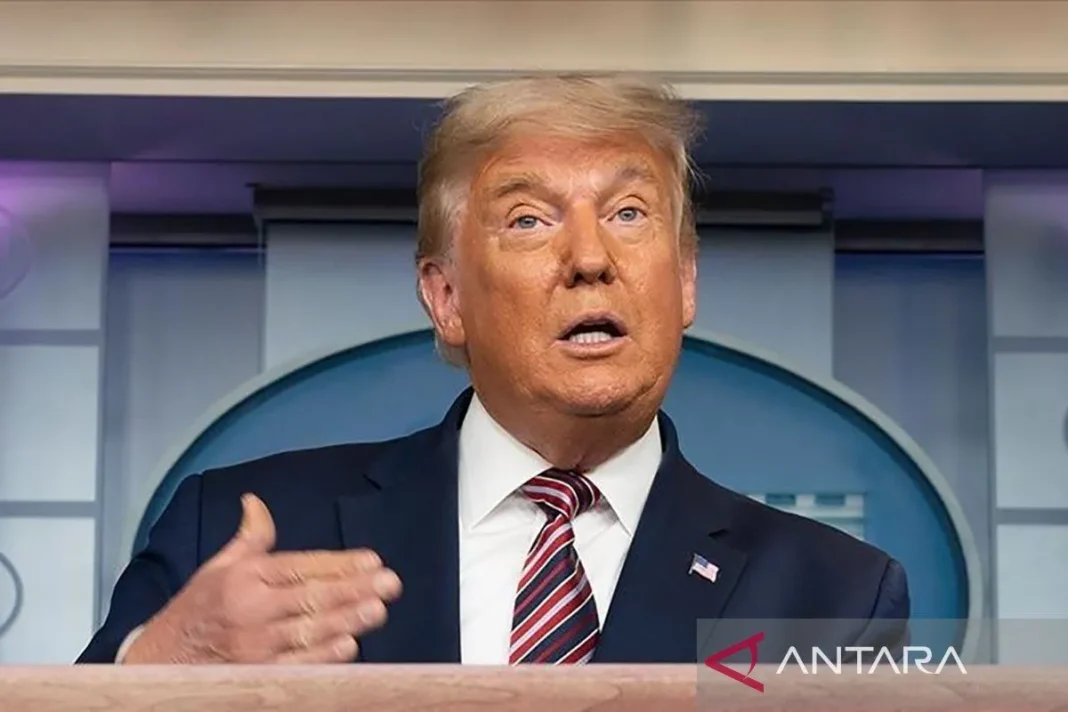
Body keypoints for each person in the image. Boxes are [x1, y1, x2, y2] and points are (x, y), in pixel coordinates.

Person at [78, 73, 908, 666]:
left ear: (685, 281)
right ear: (446, 298)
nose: (591, 258)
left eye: (628, 213)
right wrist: (156, 669)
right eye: (529, 219)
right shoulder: (239, 532)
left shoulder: (832, 595)